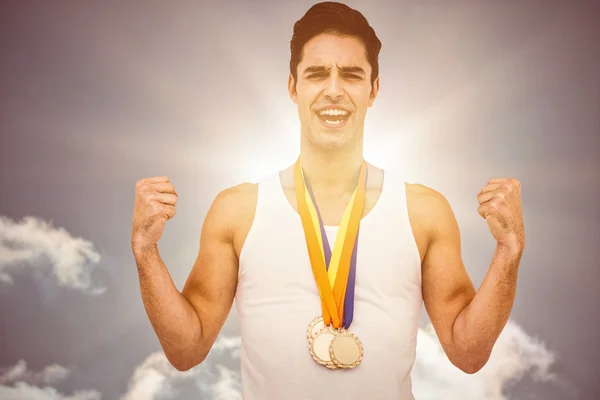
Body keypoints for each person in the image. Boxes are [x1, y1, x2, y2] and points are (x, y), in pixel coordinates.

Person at [131, 2, 525, 399]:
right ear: (293, 87)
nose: (333, 89)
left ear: (373, 89)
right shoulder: (238, 210)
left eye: (351, 75)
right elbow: (186, 349)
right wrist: (146, 251)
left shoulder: (422, 211)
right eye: (317, 74)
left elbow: (468, 352)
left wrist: (508, 252)